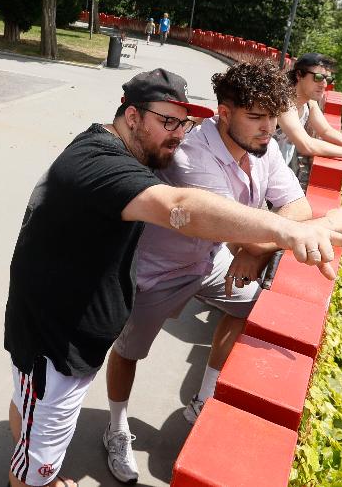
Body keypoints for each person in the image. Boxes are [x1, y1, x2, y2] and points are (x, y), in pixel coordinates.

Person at [3, 68, 342, 487]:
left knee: (33, 411)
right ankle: (55, 462)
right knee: (42, 446)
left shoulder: (124, 154)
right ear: (133, 115)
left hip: (76, 324)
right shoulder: (102, 164)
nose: (178, 135)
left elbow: (271, 216)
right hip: (60, 340)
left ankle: (34, 459)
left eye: (183, 121)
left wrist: (278, 236)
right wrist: (299, 230)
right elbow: (184, 208)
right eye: (166, 121)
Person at [102, 61, 310, 482]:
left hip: (209, 261)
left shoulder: (263, 148)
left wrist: (259, 251)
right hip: (157, 272)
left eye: (272, 117)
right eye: (255, 117)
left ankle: (205, 395)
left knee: (251, 307)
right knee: (129, 352)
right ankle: (115, 427)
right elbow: (241, 232)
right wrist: (257, 247)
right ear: (224, 113)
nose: (268, 129)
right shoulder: (193, 158)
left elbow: (299, 207)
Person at [274, 53, 342, 184]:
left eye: (328, 79)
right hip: (255, 176)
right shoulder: (285, 102)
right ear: (299, 75)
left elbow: (325, 131)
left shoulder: (309, 102)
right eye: (318, 77)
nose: (324, 84)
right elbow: (305, 145)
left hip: (275, 174)